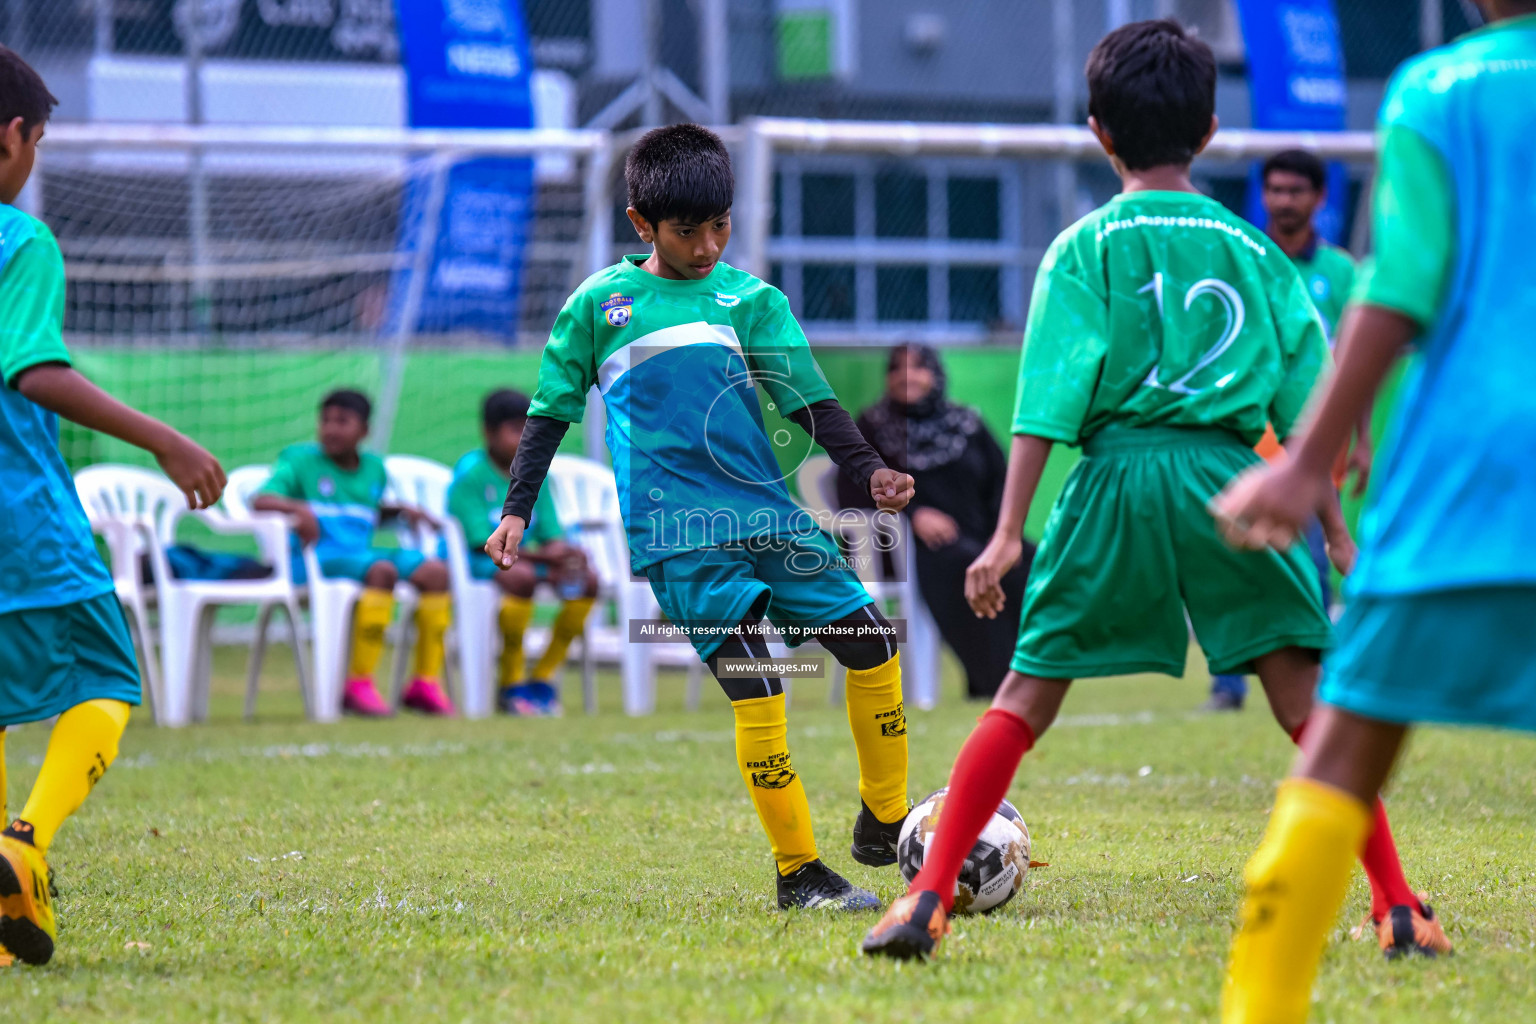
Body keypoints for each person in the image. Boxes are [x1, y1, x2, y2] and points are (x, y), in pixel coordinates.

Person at [861, 18, 1435, 961]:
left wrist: (1007, 534)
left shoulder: (1081, 249)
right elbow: (1305, 420)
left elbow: (1046, 404)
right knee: (1309, 708)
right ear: (1211, 131)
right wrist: (1334, 531)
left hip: (1117, 479)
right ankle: (1399, 908)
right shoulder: (1258, 257)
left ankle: (925, 899)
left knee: (1024, 698)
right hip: (1231, 482)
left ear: (1099, 132)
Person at [482, 124, 917, 911]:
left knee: (875, 644)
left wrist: (870, 468)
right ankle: (798, 874)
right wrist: (517, 509)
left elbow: (809, 400)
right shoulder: (599, 306)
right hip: (680, 535)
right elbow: (548, 415)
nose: (710, 243)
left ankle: (886, 820)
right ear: (642, 223)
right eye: (690, 230)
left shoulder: (751, 300)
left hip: (770, 516)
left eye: (721, 225)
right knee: (759, 684)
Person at [1217, 3, 1533, 1018]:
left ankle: (1261, 1006)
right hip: (1470, 475)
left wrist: (1308, 461)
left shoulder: (1441, 90)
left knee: (1342, 750)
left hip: (1468, 472)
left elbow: (1399, 286)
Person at [0, 45, 226, 966]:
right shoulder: (19, 240)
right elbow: (32, 369)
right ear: (14, 136)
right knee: (108, 675)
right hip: (21, 518)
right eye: (39, 142)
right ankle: (25, 841)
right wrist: (162, 438)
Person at [1205, 149, 1364, 712]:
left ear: (1320, 198)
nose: (1284, 200)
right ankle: (1227, 684)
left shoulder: (1342, 272)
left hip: (1316, 439)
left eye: (1296, 191)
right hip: (1248, 435)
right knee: (1230, 552)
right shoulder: (1246, 258)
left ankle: (1321, 679)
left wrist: (1361, 439)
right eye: (1274, 190)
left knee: (1310, 559)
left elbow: (1351, 362)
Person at [840, 343, 1030, 699]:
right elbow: (853, 489)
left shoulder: (966, 423)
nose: (906, 376)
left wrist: (1003, 536)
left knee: (1029, 561)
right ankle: (994, 680)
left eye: (918, 367)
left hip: (978, 535)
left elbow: (1000, 480)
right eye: (896, 368)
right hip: (907, 549)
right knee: (963, 562)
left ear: (936, 374)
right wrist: (912, 515)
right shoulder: (874, 426)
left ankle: (1024, 673)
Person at [253, 390, 454, 717]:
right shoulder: (299, 461)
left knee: (437, 573)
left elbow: (366, 512)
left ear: (364, 431)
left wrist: (403, 511)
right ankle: (359, 684)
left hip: (359, 556)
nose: (331, 429)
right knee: (383, 570)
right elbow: (261, 501)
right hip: (311, 560)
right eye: (326, 421)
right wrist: (297, 507)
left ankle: (424, 683)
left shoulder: (374, 468)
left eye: (342, 422)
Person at [448, 388, 598, 716]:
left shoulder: (535, 473)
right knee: (520, 577)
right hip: (481, 562)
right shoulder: (470, 475)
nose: (524, 438)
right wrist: (548, 558)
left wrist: (568, 555)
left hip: (527, 559)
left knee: (587, 580)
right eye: (515, 429)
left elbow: (551, 536)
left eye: (528, 429)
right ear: (489, 432)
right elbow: (481, 542)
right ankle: (510, 682)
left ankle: (542, 678)